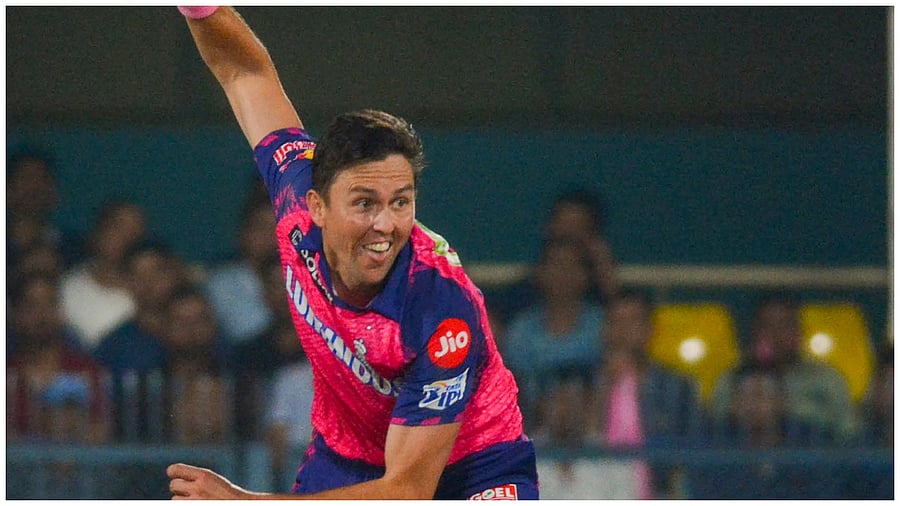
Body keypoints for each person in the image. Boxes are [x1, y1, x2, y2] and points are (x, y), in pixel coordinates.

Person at [166, 6, 536, 500]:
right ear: (317, 206)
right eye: (364, 204)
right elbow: (245, 73)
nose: (385, 225)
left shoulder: (440, 307)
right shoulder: (295, 194)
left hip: (474, 466)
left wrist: (251, 502)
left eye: (400, 202)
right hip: (348, 456)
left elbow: (407, 492)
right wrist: (199, 8)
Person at [707, 293, 860, 444]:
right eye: (767, 325)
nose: (776, 334)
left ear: (800, 332)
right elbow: (716, 425)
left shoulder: (827, 378)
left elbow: (848, 432)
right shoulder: (731, 379)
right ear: (754, 331)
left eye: (784, 325)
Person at [501, 238, 605, 428]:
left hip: (594, 425)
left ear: (586, 275)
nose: (562, 274)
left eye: (570, 266)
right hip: (533, 425)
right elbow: (514, 384)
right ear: (540, 273)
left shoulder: (601, 325)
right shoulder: (521, 329)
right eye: (555, 265)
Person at [59, 200, 147, 351]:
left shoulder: (149, 299)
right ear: (98, 231)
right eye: (118, 227)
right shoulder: (64, 288)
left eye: (134, 232)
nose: (127, 239)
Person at [205, 186, 278, 348]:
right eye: (261, 228)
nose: (271, 237)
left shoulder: (312, 276)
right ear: (244, 234)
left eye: (277, 228)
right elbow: (243, 332)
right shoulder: (222, 283)